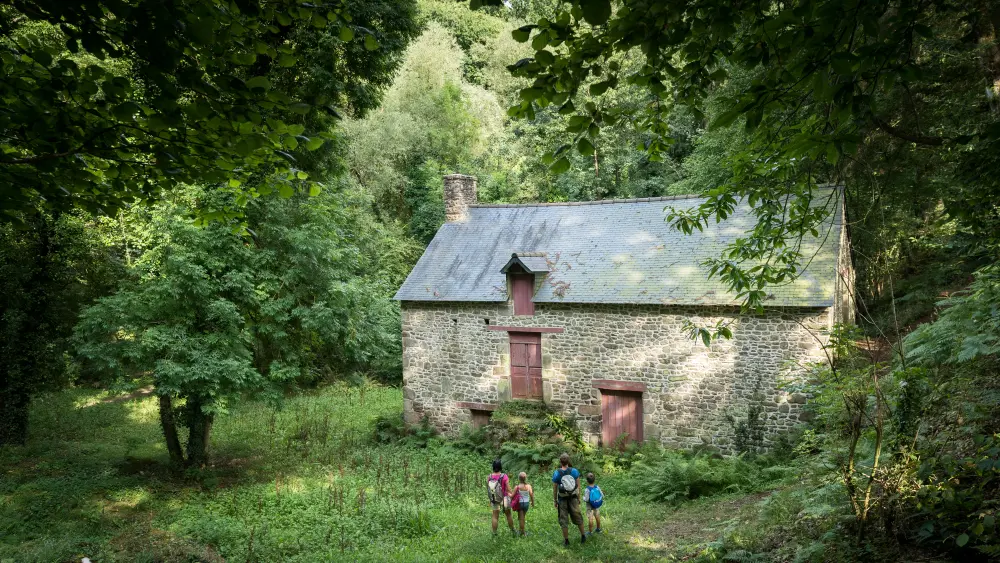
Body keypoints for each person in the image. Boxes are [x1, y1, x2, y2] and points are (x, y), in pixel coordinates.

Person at [552, 452, 586, 546]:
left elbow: (555, 489)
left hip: (562, 499)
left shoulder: (557, 473)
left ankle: (566, 540)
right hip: (573, 498)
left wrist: (555, 500)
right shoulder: (574, 471)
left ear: (560, 461)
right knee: (578, 516)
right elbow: (578, 487)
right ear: (568, 461)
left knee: (563, 519)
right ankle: (583, 536)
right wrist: (578, 498)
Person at [487, 458, 515, 535]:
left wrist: (490, 499)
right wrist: (513, 494)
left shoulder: (489, 476)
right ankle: (513, 531)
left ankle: (494, 533)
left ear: (493, 467)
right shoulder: (504, 476)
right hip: (505, 498)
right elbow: (508, 488)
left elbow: (489, 488)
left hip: (494, 498)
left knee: (495, 516)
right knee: (508, 514)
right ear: (500, 467)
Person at [509, 471, 535, 536]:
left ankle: (522, 532)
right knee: (523, 517)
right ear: (525, 478)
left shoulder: (517, 487)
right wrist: (532, 502)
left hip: (520, 504)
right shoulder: (528, 486)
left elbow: (512, 496)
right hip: (526, 504)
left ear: (519, 478)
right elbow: (531, 494)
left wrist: (507, 493)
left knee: (521, 518)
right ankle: (522, 530)